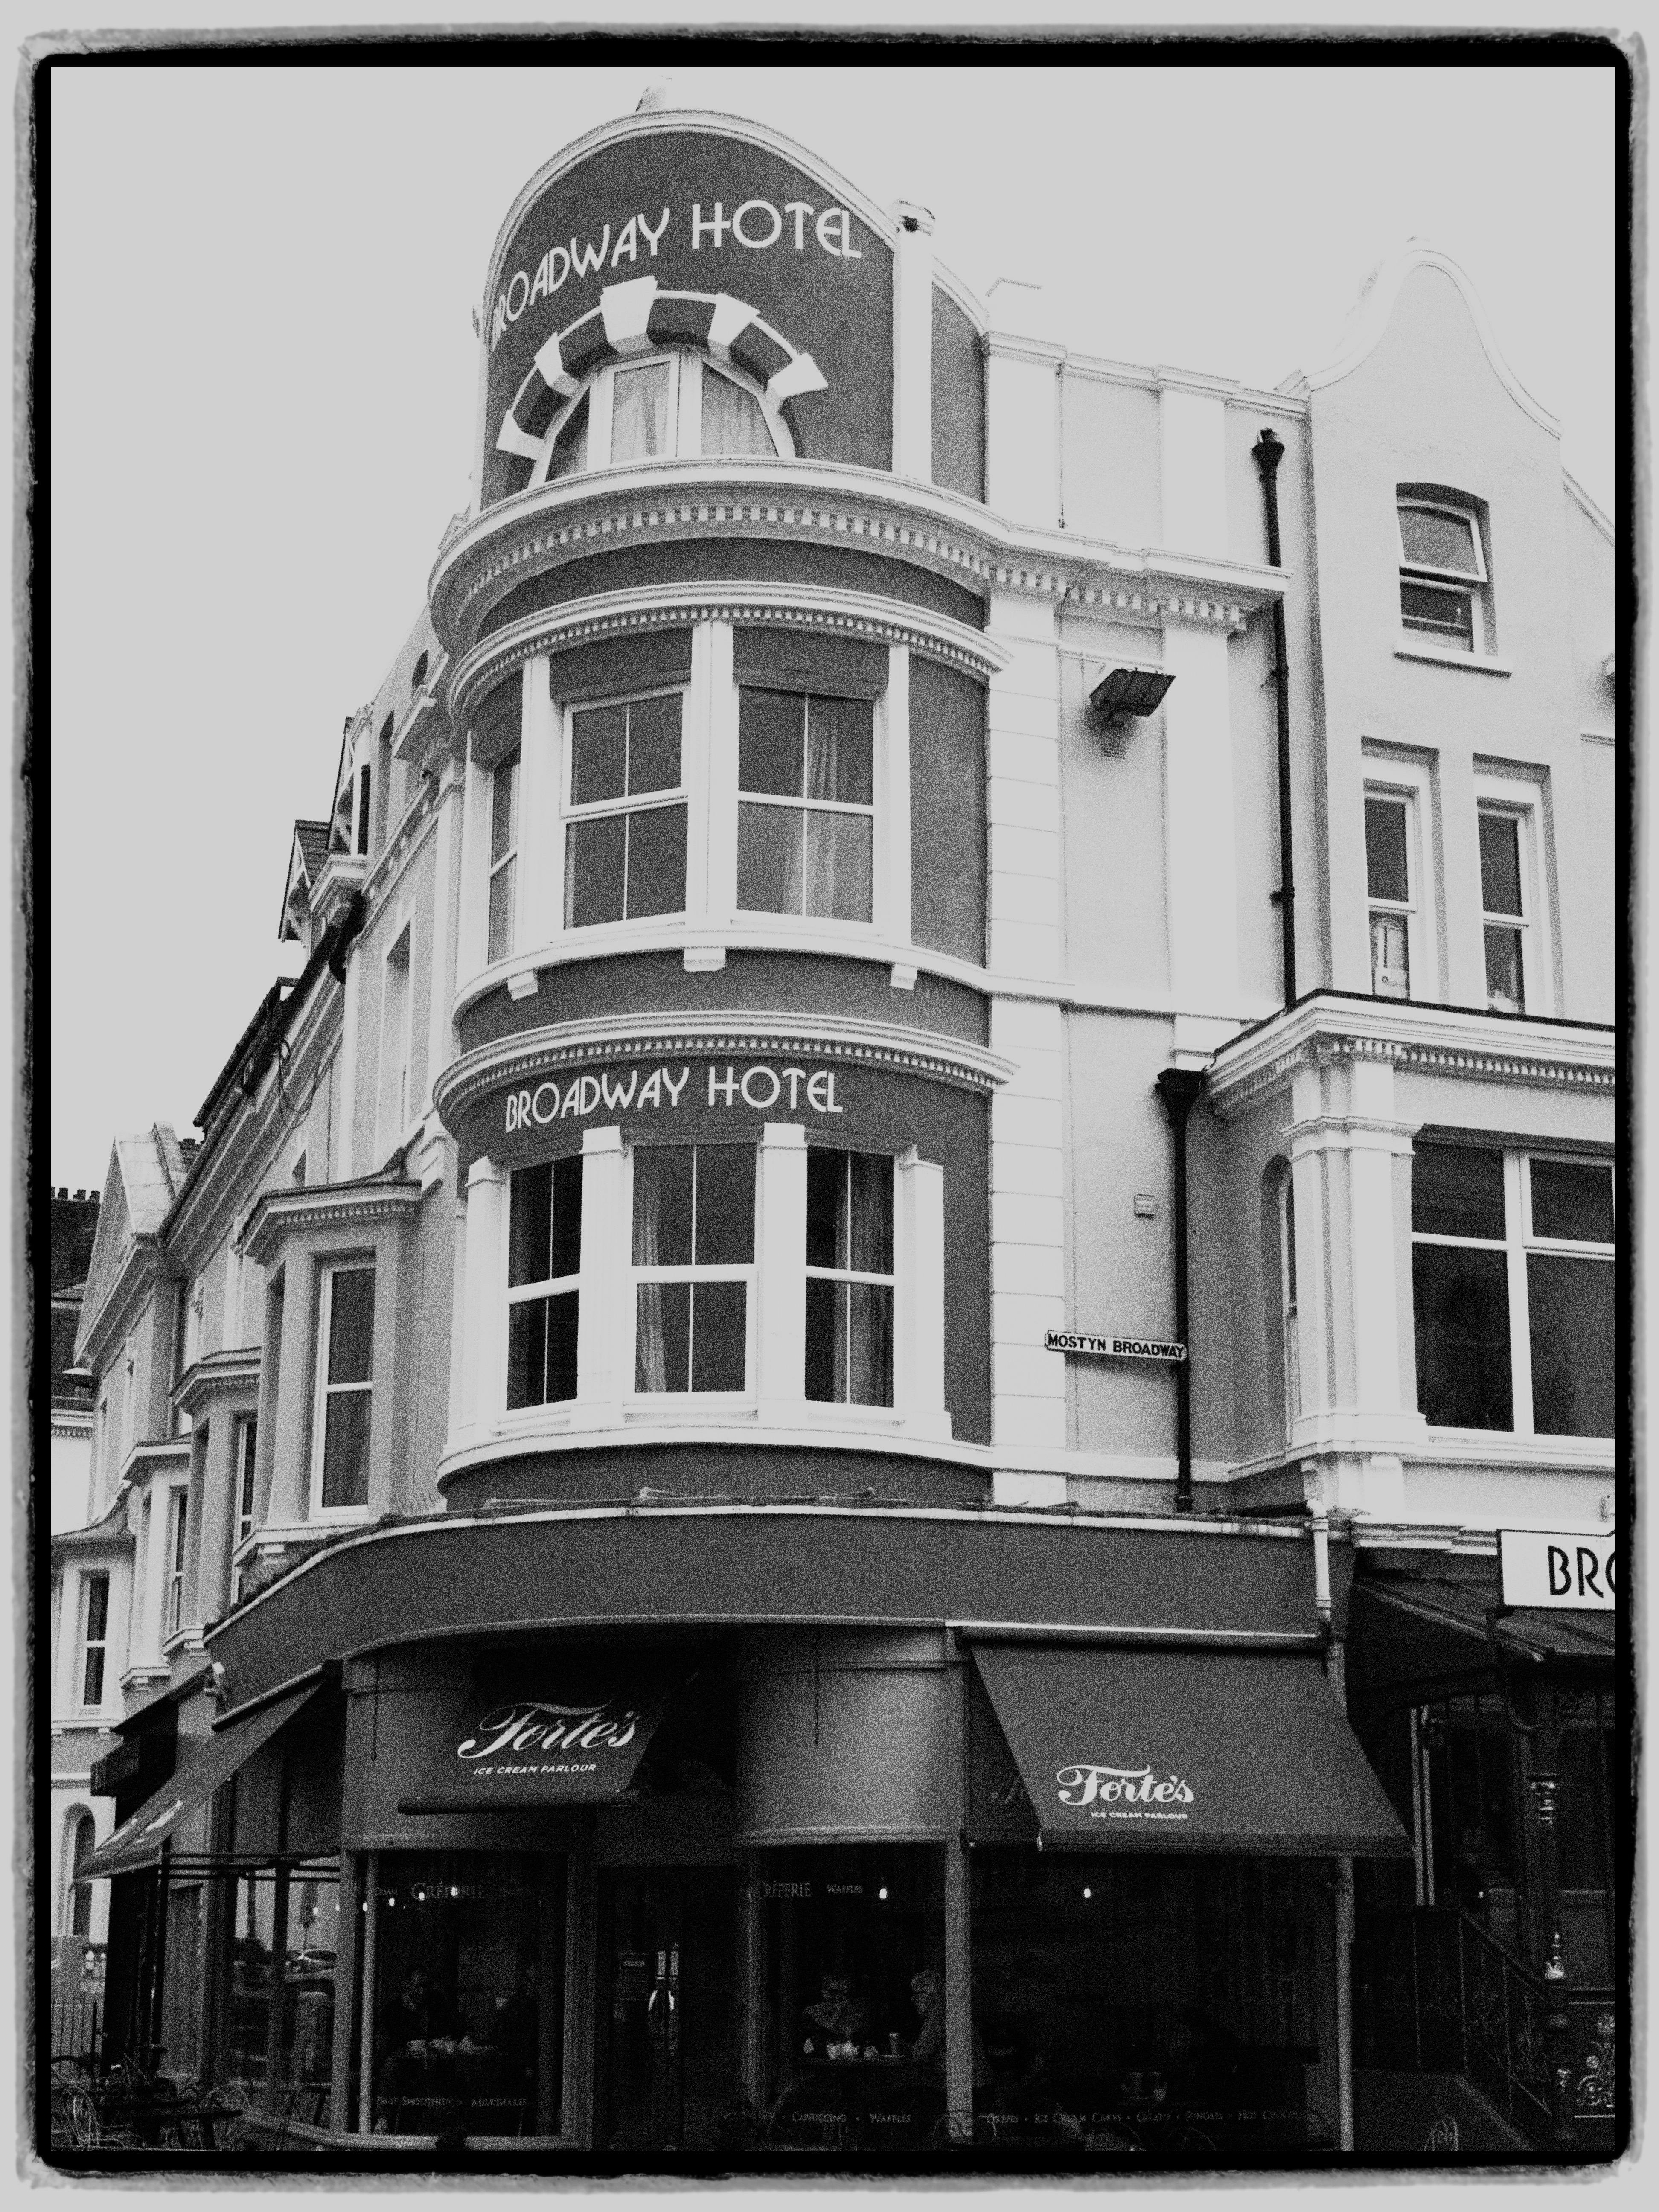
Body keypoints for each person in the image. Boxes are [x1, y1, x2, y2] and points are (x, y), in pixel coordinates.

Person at [801, 1969, 869, 2055]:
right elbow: (808, 2048)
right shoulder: (811, 2013)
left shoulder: (854, 2013)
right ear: (824, 1992)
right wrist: (834, 2018)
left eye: (843, 1993)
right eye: (834, 1992)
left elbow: (862, 2044)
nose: (839, 1997)